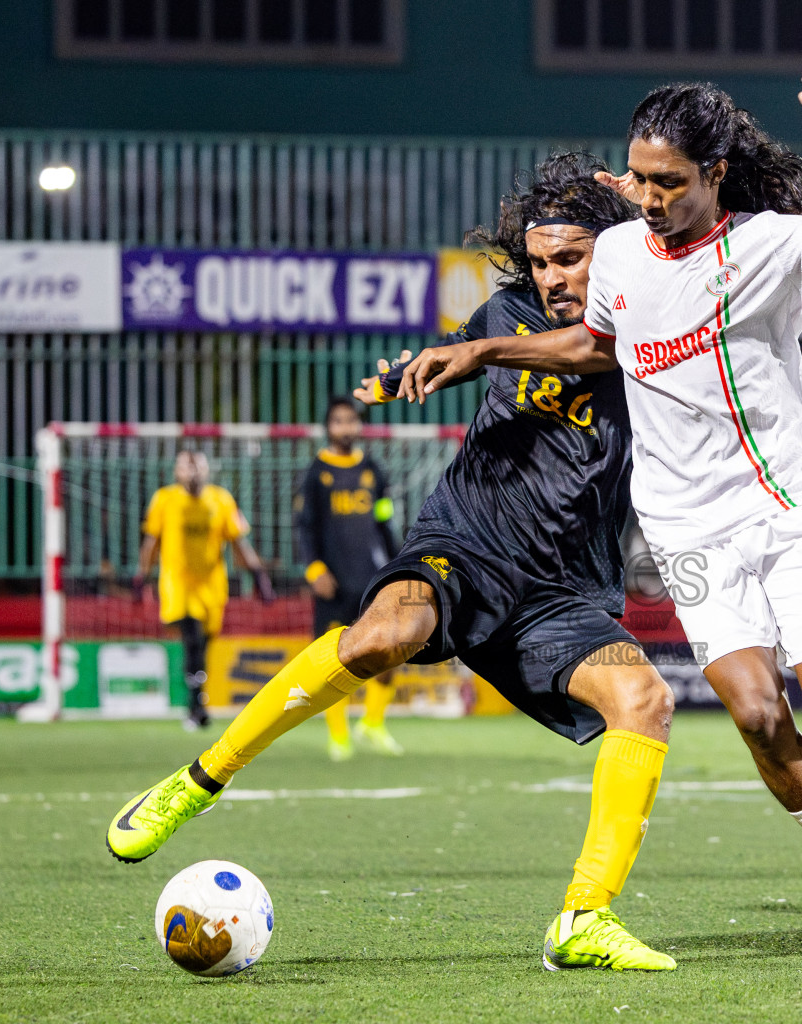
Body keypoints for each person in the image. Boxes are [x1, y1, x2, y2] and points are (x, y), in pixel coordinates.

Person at [397, 77, 802, 970]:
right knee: (757, 715)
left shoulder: (772, 244)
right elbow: (598, 345)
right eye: (640, 179)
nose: (652, 198)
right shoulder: (622, 251)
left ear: (716, 173)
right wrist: (482, 349)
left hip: (785, 507)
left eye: (669, 182)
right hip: (687, 529)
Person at [109, 153, 681, 972]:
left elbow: (598, 348)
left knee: (644, 699)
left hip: (562, 590)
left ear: (615, 250)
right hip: (467, 542)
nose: (552, 278)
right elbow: (459, 348)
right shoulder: (508, 312)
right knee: (383, 637)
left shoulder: (658, 319)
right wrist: (413, 370)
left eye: (570, 258)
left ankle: (584, 920)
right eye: (540, 262)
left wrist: (481, 354)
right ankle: (198, 781)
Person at [297, 396, 404, 761]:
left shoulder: (373, 470)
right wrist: (315, 569)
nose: (346, 427)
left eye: (351, 420)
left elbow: (384, 521)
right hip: (333, 581)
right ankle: (338, 736)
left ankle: (373, 722)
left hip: (371, 578)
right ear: (328, 427)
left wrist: (398, 564)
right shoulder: (316, 473)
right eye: (338, 421)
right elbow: (305, 528)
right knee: (333, 661)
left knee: (392, 648)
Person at [134, 450, 274, 729]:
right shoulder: (164, 499)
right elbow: (151, 542)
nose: (193, 470)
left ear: (208, 469)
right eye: (186, 466)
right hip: (179, 583)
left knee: (204, 643)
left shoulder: (221, 499)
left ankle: (195, 700)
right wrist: (141, 577)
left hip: (212, 584)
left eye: (198, 464)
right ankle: (196, 705)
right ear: (176, 472)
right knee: (192, 637)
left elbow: (239, 542)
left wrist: (259, 576)